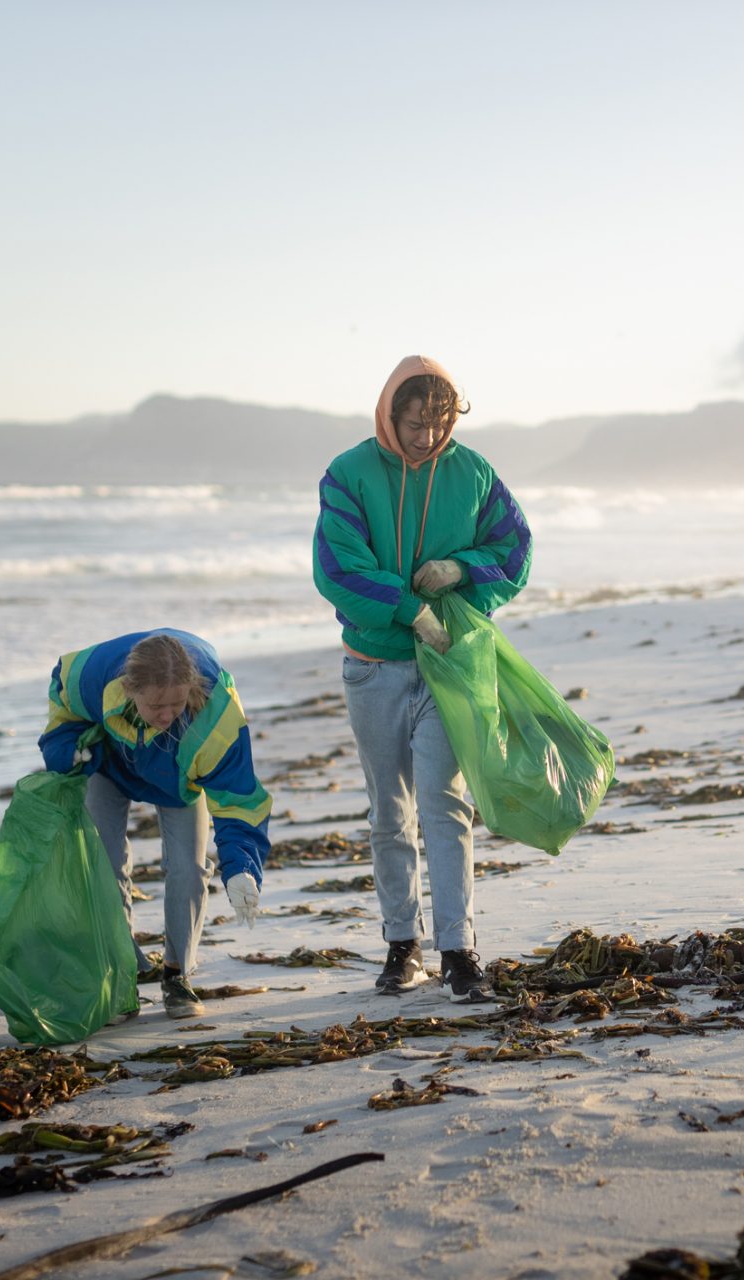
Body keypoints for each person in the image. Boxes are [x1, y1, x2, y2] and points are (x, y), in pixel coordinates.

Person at [313, 355, 532, 1002]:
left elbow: (515, 550)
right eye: (415, 424)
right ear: (390, 414)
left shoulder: (473, 473)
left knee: (446, 803)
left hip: (450, 668)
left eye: (439, 425)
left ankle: (459, 950)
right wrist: (410, 609)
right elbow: (337, 567)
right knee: (390, 811)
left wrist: (460, 570)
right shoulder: (348, 474)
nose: (427, 438)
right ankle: (400, 945)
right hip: (374, 667)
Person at [38, 629, 270, 1019]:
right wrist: (69, 752)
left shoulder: (217, 714)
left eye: (177, 704)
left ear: (191, 687)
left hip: (180, 777)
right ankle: (121, 971)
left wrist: (243, 867)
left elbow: (238, 797)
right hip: (108, 764)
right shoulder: (91, 677)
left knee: (189, 868)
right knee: (102, 864)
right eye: (155, 706)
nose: (166, 715)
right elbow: (62, 706)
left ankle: (177, 978)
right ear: (129, 690)